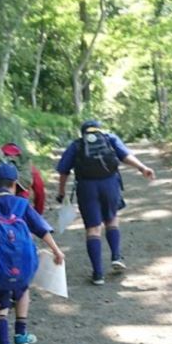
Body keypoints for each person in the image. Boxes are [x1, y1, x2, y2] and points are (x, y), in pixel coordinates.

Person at [0, 163, 65, 344]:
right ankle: (21, 334)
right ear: (14, 184)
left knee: (0, 302)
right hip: (23, 263)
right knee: (23, 290)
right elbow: (41, 230)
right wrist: (57, 251)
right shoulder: (22, 204)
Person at [56, 119, 155, 284]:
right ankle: (116, 256)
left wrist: (61, 192)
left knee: (93, 229)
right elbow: (125, 155)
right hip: (110, 184)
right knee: (112, 219)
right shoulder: (109, 138)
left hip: (87, 187)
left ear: (83, 133)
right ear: (98, 130)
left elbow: (63, 170)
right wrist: (142, 168)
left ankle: (98, 274)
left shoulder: (77, 145)